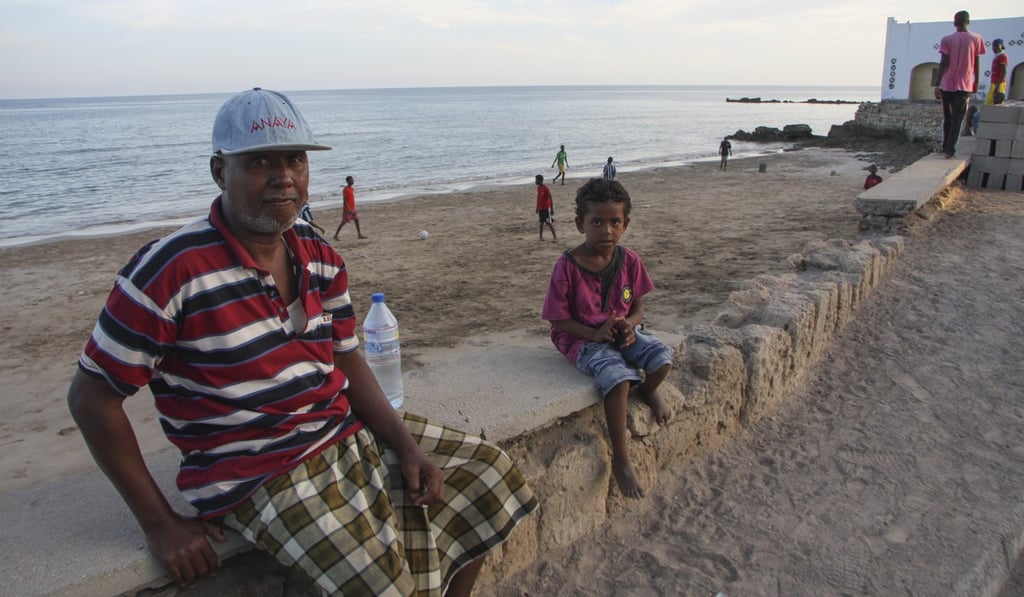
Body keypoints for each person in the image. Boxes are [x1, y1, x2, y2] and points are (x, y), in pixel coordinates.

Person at [66, 87, 537, 597]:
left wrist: (404, 445)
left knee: (491, 477)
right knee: (383, 585)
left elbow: (346, 357)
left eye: (295, 159)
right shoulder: (172, 268)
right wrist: (159, 523)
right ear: (219, 171)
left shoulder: (317, 253)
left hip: (339, 432)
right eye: (258, 162)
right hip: (256, 470)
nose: (283, 177)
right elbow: (92, 397)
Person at [541, 178, 674, 499]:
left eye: (615, 222)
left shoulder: (629, 261)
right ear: (580, 224)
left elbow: (639, 306)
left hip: (621, 331)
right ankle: (621, 459)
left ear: (625, 224)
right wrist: (594, 334)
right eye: (596, 222)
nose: (606, 230)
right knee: (616, 379)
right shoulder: (568, 266)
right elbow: (557, 319)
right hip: (580, 337)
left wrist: (629, 324)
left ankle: (649, 388)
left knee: (662, 358)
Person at [934, 10, 985, 158]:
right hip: (965, 85)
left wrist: (937, 85)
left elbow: (943, 63)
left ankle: (945, 146)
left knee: (948, 117)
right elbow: (976, 62)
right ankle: (950, 149)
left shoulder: (946, 39)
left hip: (947, 84)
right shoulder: (977, 39)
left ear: (954, 23)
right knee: (957, 117)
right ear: (968, 22)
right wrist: (976, 80)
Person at [332, 175, 367, 240]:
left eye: (353, 180)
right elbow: (344, 200)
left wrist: (352, 207)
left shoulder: (351, 189)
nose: (353, 181)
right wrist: (348, 208)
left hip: (352, 208)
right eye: (351, 180)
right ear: (348, 181)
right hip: (347, 209)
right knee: (343, 222)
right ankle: (335, 235)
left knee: (356, 220)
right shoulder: (345, 189)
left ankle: (359, 234)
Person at [986, 38, 1008, 105]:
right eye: (993, 46)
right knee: (989, 103)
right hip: (994, 83)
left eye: (997, 46)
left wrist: (997, 86)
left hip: (999, 84)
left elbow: (1004, 72)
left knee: (996, 103)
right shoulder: (997, 56)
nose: (994, 48)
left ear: (1001, 46)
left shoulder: (1002, 56)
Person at [536, 174, 557, 241]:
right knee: (541, 222)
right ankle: (540, 237)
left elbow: (550, 197)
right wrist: (537, 207)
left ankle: (555, 236)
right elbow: (538, 197)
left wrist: (552, 208)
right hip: (541, 208)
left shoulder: (545, 188)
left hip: (546, 208)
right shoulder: (539, 188)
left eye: (536, 180)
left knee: (548, 222)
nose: (535, 181)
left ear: (540, 180)